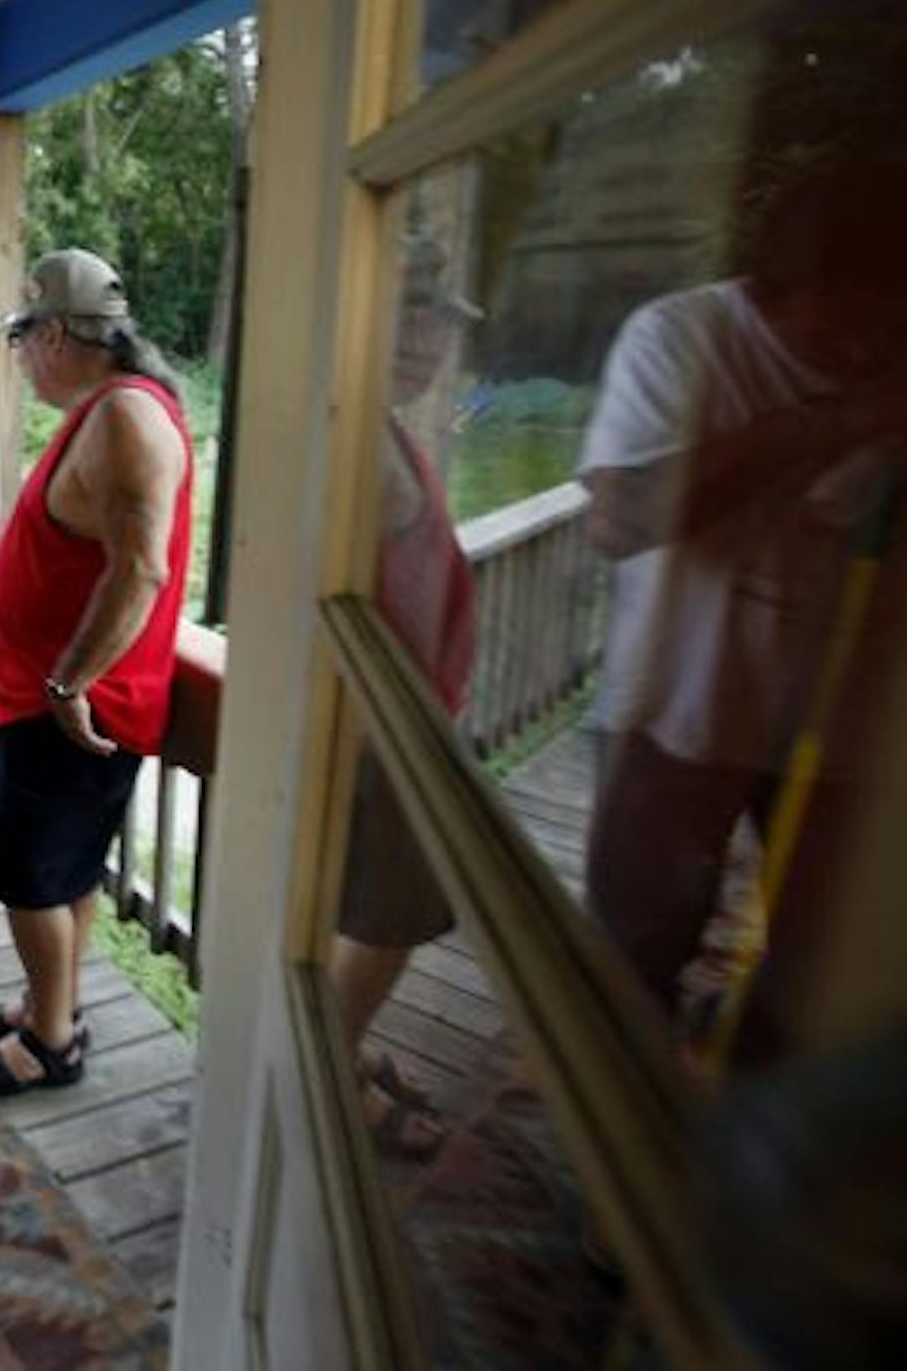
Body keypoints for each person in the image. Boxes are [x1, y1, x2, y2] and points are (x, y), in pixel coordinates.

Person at [578, 163, 907, 1060]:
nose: (869, 340)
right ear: (782, 289)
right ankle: (610, 1147)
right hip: (676, 713)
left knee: (823, 971)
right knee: (634, 954)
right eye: (850, 316)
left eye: (896, 316)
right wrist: (832, 422)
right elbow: (617, 520)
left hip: (850, 733)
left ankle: (741, 1120)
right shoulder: (681, 336)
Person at [0, 249, 193, 1097]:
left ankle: (50, 1041)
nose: (20, 354)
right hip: (55, 701)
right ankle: (50, 1005)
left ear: (55, 332)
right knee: (64, 874)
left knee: (27, 879)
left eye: (23, 337)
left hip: (74, 711)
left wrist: (67, 682)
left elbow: (143, 571)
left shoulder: (127, 417)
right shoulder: (107, 409)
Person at [327, 235, 480, 1158]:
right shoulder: (349, 436)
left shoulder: (379, 425)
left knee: (383, 917)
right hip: (374, 731)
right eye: (411, 315)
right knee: (390, 919)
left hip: (406, 722)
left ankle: (346, 1048)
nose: (428, 338)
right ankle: (334, 1066)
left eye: (438, 320)